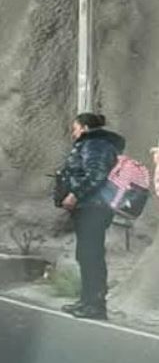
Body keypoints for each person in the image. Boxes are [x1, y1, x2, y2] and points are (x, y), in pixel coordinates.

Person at [58, 113, 124, 320]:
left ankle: (95, 304)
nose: (74, 133)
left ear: (85, 127)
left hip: (93, 208)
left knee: (91, 256)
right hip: (92, 207)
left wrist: (75, 194)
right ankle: (87, 301)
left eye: (75, 128)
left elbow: (96, 173)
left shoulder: (95, 144)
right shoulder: (97, 144)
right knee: (87, 255)